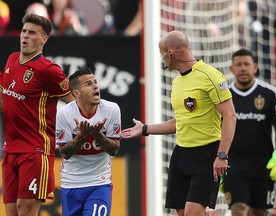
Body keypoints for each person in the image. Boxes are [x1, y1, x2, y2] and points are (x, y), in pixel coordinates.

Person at [122, 30, 236, 216]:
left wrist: (222, 155)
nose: (162, 59)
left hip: (207, 153)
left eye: (162, 54)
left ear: (171, 53)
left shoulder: (211, 76)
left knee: (192, 213)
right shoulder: (177, 83)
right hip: (181, 153)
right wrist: (144, 129)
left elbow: (230, 115)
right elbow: (180, 122)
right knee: (182, 213)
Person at [0, 13, 74, 215]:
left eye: (32, 33)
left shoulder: (48, 70)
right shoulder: (12, 60)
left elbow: (73, 104)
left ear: (44, 39)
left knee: (26, 210)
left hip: (35, 151)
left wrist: (69, 136)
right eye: (24, 31)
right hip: (11, 150)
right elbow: (2, 99)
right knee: (11, 212)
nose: (25, 36)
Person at [223, 48, 276, 215]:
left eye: (246, 64)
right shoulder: (225, 96)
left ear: (255, 67)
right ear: (232, 69)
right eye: (238, 64)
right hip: (234, 164)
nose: (243, 68)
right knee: (238, 209)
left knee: (258, 212)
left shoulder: (270, 93)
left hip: (263, 164)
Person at [55, 67, 121, 216]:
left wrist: (98, 135)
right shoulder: (64, 114)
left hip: (100, 183)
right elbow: (65, 153)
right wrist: (81, 137)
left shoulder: (111, 109)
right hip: (71, 184)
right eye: (89, 84)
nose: (96, 86)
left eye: (96, 82)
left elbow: (114, 150)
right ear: (76, 93)